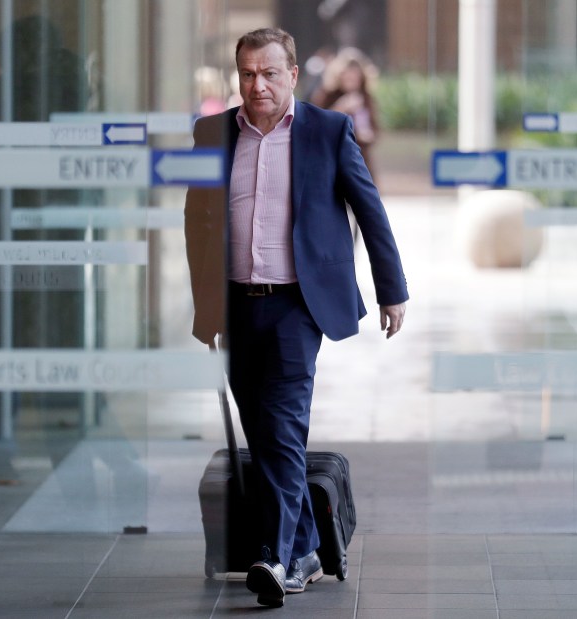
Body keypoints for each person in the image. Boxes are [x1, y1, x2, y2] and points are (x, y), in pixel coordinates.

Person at [184, 27, 408, 608]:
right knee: (264, 434)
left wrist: (392, 290)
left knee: (282, 425)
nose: (258, 84)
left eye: (270, 73)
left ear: (292, 75)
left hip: (296, 305)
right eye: (248, 74)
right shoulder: (210, 134)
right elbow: (197, 224)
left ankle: (272, 557)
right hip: (235, 303)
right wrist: (204, 303)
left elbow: (371, 211)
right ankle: (308, 548)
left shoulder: (328, 131)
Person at [310, 47, 380, 181]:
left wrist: (367, 135)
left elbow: (375, 130)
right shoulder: (327, 96)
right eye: (347, 75)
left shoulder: (366, 98)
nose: (351, 79)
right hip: (332, 161)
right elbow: (316, 125)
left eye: (355, 76)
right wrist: (340, 108)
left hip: (360, 162)